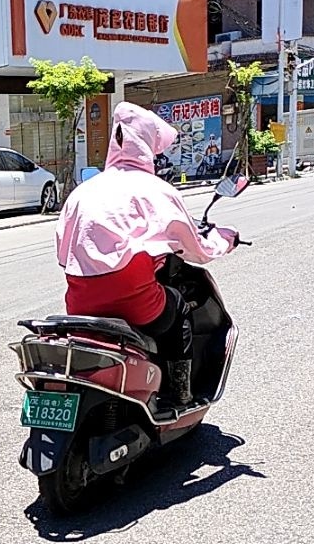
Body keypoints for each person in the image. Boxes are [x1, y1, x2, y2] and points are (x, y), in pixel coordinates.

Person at [55, 101, 237, 408]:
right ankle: (181, 394)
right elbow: (198, 251)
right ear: (149, 146)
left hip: (80, 304)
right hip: (136, 305)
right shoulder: (155, 191)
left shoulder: (81, 193)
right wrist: (223, 239)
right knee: (178, 308)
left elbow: (63, 255)